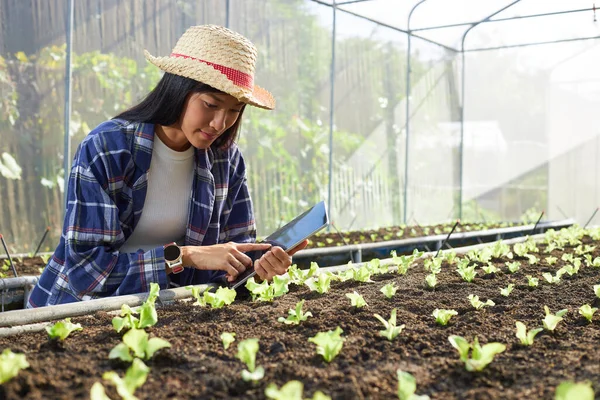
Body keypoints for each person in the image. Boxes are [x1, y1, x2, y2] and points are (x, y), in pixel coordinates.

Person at [27, 25, 307, 307]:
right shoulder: (107, 148)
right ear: (178, 89)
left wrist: (259, 269)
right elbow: (87, 272)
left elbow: (234, 264)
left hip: (167, 308)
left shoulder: (226, 160)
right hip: (77, 312)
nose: (220, 124)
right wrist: (184, 256)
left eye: (234, 111)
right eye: (211, 104)